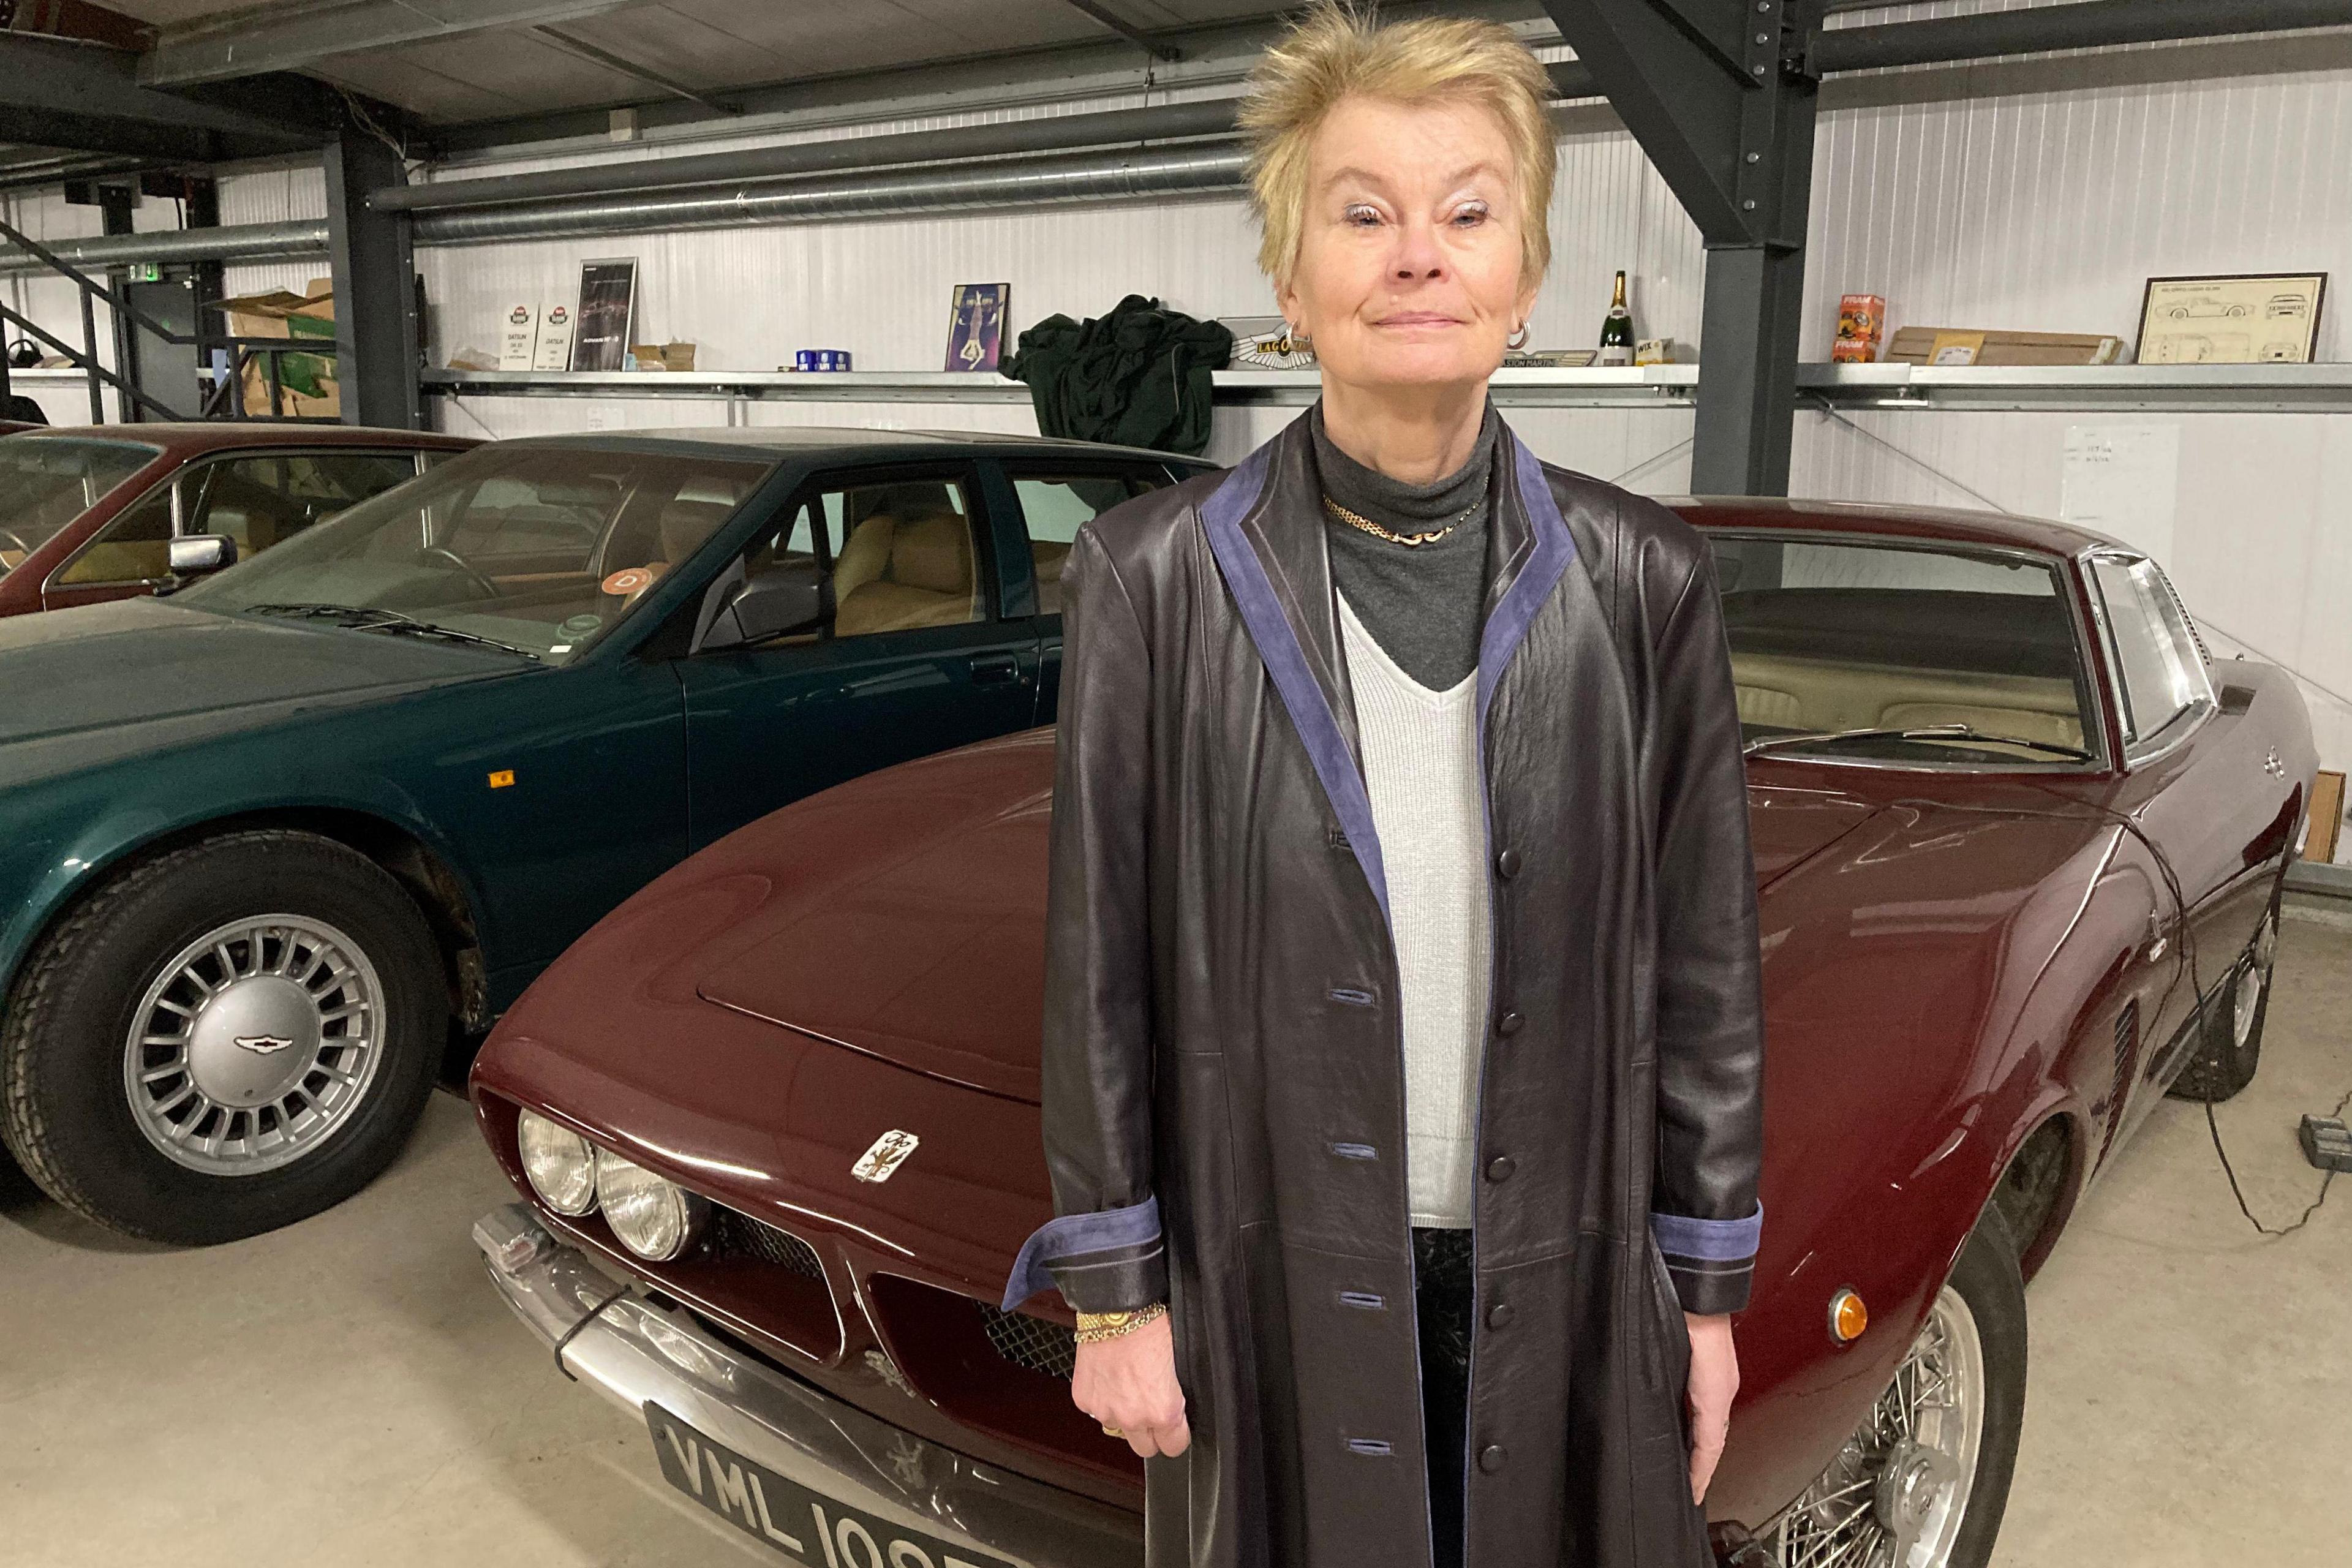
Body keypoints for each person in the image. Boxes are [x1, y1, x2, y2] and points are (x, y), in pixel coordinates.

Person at [995, 4, 1765, 1564]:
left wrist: (1705, 1293)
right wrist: (1115, 1293)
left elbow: (1708, 971)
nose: (1419, 253)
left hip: (1569, 1260)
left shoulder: (1647, 582)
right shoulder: (1154, 579)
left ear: (1525, 274)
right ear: (1292, 281)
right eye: (1364, 213)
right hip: (1267, 1263)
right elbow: (1100, 971)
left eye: (1468, 210)